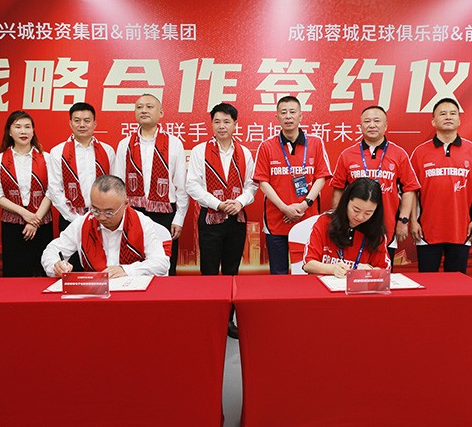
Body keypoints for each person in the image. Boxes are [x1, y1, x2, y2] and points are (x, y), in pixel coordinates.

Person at [186, 103, 257, 339]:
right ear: (212, 124)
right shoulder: (200, 151)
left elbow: (251, 185)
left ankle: (228, 320)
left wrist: (239, 202)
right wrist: (218, 204)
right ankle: (209, 318)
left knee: (231, 271)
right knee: (208, 271)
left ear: (235, 124)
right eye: (217, 121)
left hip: (236, 219)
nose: (221, 126)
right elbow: (192, 184)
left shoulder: (244, 153)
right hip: (210, 219)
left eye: (227, 121)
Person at [409, 98, 472, 273]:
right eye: (443, 114)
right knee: (429, 282)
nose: (448, 117)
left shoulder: (471, 150)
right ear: (433, 121)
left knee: (456, 283)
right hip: (427, 231)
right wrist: (413, 221)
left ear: (459, 120)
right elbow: (412, 192)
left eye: (453, 113)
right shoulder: (420, 152)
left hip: (461, 230)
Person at [330, 105, 420, 264]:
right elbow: (338, 189)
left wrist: (403, 220)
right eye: (367, 121)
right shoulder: (347, 155)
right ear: (361, 126)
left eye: (377, 121)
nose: (372, 125)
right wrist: (339, 220)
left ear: (385, 126)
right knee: (351, 271)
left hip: (386, 227)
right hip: (354, 225)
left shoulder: (399, 154)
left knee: (382, 273)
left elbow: (409, 189)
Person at [253, 95, 332, 274]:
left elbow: (321, 177)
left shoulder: (316, 143)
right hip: (276, 220)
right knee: (278, 274)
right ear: (277, 117)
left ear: (300, 115)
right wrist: (284, 208)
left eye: (292, 112)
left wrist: (304, 205)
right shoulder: (267, 146)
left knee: (307, 273)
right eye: (283, 112)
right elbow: (263, 182)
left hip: (307, 219)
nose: (288, 116)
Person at [113, 94, 188, 276]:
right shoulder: (125, 144)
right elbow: (117, 183)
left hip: (165, 213)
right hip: (133, 212)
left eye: (149, 106)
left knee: (165, 263)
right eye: (139, 107)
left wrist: (178, 218)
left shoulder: (174, 143)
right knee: (133, 262)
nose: (144, 110)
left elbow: (181, 186)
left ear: (160, 113)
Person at [41, 174, 169, 278]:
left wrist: (126, 270)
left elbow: (161, 263)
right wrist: (56, 266)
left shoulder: (142, 223)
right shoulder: (84, 223)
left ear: (125, 204)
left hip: (132, 290)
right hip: (95, 292)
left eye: (109, 212)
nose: (101, 217)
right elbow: (51, 250)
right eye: (96, 210)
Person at [47, 102, 115, 272]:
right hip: (70, 219)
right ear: (70, 123)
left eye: (87, 120)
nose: (82, 125)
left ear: (94, 123)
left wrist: (100, 215)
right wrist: (76, 219)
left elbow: (115, 186)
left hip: (103, 219)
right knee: (72, 269)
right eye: (77, 120)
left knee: (102, 267)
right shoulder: (57, 152)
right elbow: (55, 190)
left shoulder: (107, 151)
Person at [0, 111, 53, 277]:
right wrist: (24, 213)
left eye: (27, 127)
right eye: (17, 127)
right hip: (12, 227)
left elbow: (52, 191)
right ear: (9, 132)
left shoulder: (46, 158)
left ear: (33, 131)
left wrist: (35, 220)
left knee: (43, 272)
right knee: (14, 273)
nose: (23, 131)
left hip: (42, 224)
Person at [303, 178, 391, 276]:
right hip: (324, 283)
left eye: (368, 213)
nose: (360, 217)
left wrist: (371, 271)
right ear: (346, 202)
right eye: (356, 210)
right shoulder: (325, 222)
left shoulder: (376, 232)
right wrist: (332, 269)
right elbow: (308, 264)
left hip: (358, 284)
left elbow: (384, 270)